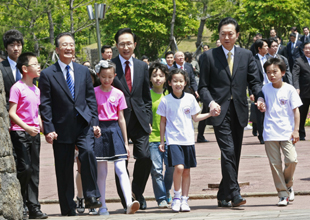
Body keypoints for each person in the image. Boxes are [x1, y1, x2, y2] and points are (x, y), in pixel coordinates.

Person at [199, 17, 264, 207]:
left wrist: (258, 97)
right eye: (223, 34)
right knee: (228, 151)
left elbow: (255, 82)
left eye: (230, 34)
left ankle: (222, 193)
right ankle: (235, 194)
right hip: (219, 111)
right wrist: (210, 102)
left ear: (237, 35)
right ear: (219, 35)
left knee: (234, 153)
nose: (227, 37)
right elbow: (203, 87)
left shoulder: (246, 55)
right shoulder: (208, 56)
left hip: (239, 110)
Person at [39, 32, 102, 216]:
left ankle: (91, 196)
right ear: (57, 49)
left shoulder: (83, 71)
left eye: (71, 44)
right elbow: (46, 104)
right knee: (64, 168)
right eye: (64, 45)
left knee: (88, 153)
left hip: (83, 124)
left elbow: (91, 99)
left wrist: (95, 122)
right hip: (61, 127)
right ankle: (68, 208)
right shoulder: (48, 74)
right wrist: (49, 129)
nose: (69, 48)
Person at [157, 68, 214, 212]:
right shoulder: (165, 100)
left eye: (181, 81)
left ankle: (184, 199)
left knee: (187, 171)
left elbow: (195, 117)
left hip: (188, 140)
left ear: (185, 82)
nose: (178, 84)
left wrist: (210, 114)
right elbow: (162, 121)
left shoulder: (190, 98)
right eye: (175, 81)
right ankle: (176, 197)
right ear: (169, 83)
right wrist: (162, 141)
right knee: (179, 168)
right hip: (173, 140)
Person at [111, 28, 152, 211]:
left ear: (134, 45)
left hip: (140, 120)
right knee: (121, 162)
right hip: (119, 120)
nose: (125, 47)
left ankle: (136, 191)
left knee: (145, 156)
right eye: (122, 44)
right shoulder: (110, 66)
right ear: (116, 45)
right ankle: (127, 198)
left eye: (129, 43)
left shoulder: (142, 66)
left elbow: (146, 96)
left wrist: (148, 117)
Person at [93, 60, 140, 215]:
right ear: (99, 75)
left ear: (114, 76)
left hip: (115, 130)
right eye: (104, 76)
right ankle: (102, 205)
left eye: (110, 77)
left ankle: (128, 202)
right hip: (99, 131)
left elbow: (121, 118)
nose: (107, 80)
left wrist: (126, 142)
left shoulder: (118, 94)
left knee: (121, 168)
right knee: (102, 171)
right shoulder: (93, 92)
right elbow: (92, 114)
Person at [9, 52, 48, 219]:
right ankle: (22, 202)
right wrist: (25, 128)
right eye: (35, 64)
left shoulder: (36, 89)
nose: (38, 67)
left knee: (34, 170)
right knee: (24, 168)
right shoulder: (17, 88)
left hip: (34, 134)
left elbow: (36, 112)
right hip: (20, 133)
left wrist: (42, 126)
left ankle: (34, 207)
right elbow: (12, 112)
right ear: (25, 69)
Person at [258, 57, 301, 206]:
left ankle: (288, 185)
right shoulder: (265, 89)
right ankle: (283, 194)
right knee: (275, 164)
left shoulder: (289, 89)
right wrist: (260, 103)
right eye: (268, 72)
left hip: (287, 132)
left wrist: (296, 130)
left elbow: (296, 111)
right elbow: (260, 99)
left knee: (291, 160)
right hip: (270, 133)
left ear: (282, 72)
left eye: (275, 71)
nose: (272, 75)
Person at [148, 62, 174, 208]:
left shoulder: (170, 95)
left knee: (171, 167)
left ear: (166, 78)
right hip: (153, 138)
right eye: (154, 75)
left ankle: (167, 189)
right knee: (156, 170)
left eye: (161, 76)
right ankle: (161, 198)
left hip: (170, 137)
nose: (158, 78)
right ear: (150, 78)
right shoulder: (147, 95)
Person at [1, 29, 23, 111]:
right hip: (8, 114)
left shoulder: (27, 66)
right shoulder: (1, 68)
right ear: (6, 48)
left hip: (28, 115)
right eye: (12, 45)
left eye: (18, 45)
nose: (16, 48)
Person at [292, 42, 310, 141]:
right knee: (302, 113)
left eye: (309, 48)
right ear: (303, 50)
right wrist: (296, 87)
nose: (308, 50)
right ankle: (301, 133)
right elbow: (295, 75)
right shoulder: (299, 61)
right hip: (304, 91)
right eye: (306, 48)